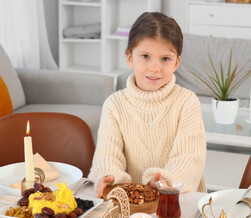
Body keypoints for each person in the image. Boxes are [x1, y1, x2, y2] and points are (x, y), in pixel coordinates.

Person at [88, 12, 206, 198]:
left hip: (177, 200)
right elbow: (107, 155)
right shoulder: (114, 105)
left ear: (177, 62)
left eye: (165, 59)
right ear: (129, 57)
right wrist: (109, 175)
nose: (154, 68)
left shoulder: (186, 102)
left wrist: (165, 180)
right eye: (145, 56)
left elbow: (190, 159)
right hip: (132, 202)